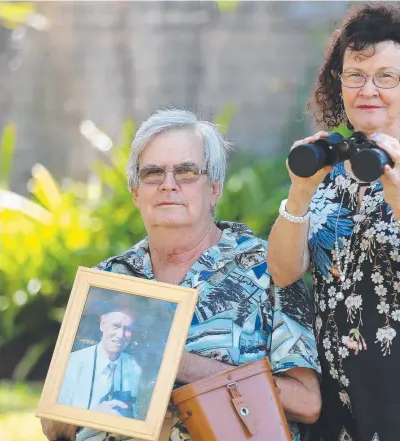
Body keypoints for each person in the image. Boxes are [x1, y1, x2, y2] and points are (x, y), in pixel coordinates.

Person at [267, 4, 400, 441]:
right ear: (340, 82)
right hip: (334, 400)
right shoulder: (327, 163)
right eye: (355, 75)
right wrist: (301, 192)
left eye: (386, 76)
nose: (369, 89)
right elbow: (284, 272)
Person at [41, 108, 321, 441]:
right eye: (153, 173)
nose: (168, 185)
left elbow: (307, 402)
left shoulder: (267, 269)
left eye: (186, 173)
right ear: (136, 192)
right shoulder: (110, 279)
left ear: (214, 188)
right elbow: (55, 428)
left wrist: (182, 364)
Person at [57, 306, 141, 419]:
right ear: (102, 324)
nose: (120, 335)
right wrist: (93, 416)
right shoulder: (73, 362)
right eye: (115, 326)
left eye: (127, 329)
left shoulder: (134, 367)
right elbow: (58, 416)